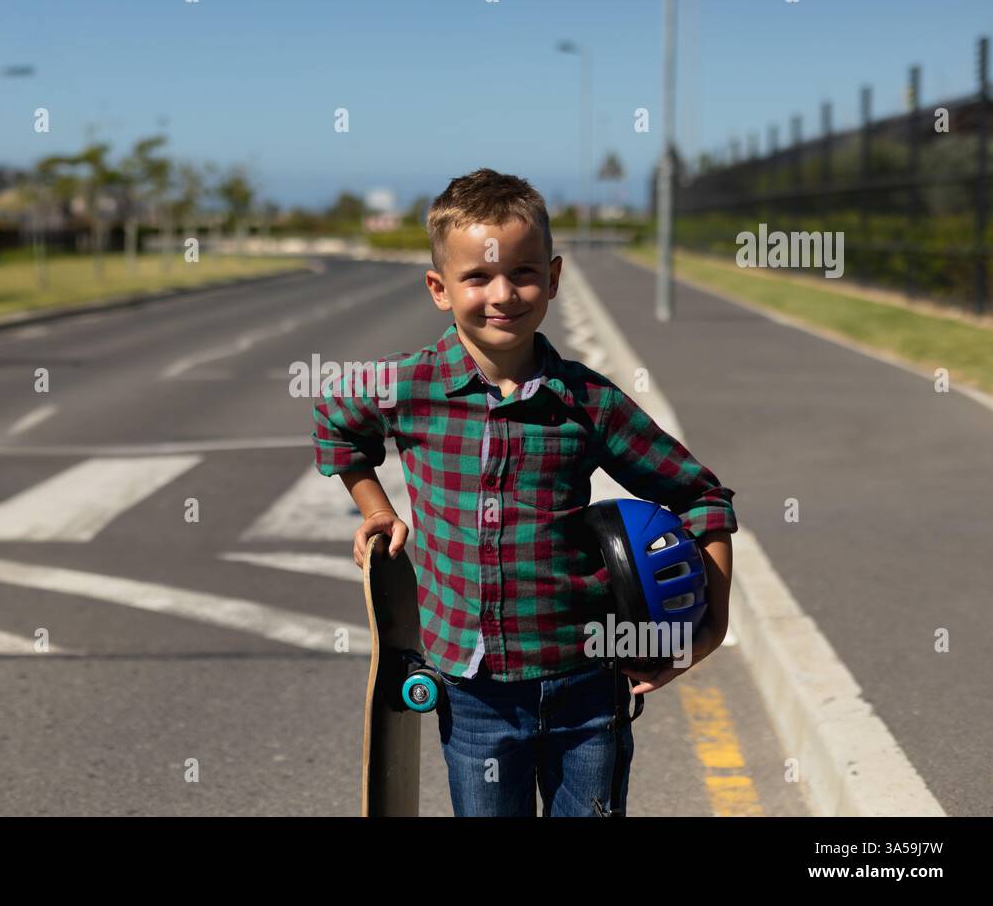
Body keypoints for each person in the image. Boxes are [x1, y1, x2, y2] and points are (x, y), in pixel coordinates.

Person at [311, 167, 737, 816]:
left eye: (524, 273)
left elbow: (703, 497)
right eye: (477, 277)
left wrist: (711, 622)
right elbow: (336, 422)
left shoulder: (589, 403)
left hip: (589, 681)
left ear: (555, 278)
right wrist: (376, 509)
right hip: (471, 689)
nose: (503, 293)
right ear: (439, 288)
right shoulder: (409, 387)